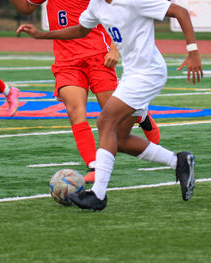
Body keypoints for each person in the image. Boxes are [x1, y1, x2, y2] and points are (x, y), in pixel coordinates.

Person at [17, 0, 202, 211]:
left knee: (105, 121)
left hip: (149, 73)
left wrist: (193, 52)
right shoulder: (96, 4)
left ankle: (98, 194)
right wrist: (42, 35)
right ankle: (178, 161)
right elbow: (79, 30)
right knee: (119, 140)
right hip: (132, 74)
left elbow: (180, 11)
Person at [9, 0, 161, 183]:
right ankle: (95, 164)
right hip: (66, 61)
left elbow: (119, 14)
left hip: (98, 56)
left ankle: (140, 114)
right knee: (75, 110)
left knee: (114, 117)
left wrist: (114, 49)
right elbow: (26, 8)